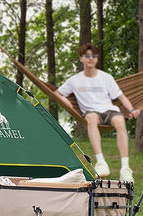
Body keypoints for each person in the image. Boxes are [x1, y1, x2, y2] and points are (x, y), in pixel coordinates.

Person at [55, 43, 140, 182]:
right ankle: (101, 163)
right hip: (91, 112)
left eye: (94, 56)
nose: (91, 58)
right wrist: (67, 102)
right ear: (81, 59)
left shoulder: (106, 77)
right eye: (87, 56)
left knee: (120, 122)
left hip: (109, 110)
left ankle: (125, 168)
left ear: (97, 59)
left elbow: (121, 97)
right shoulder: (75, 80)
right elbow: (57, 93)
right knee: (91, 119)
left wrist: (131, 110)